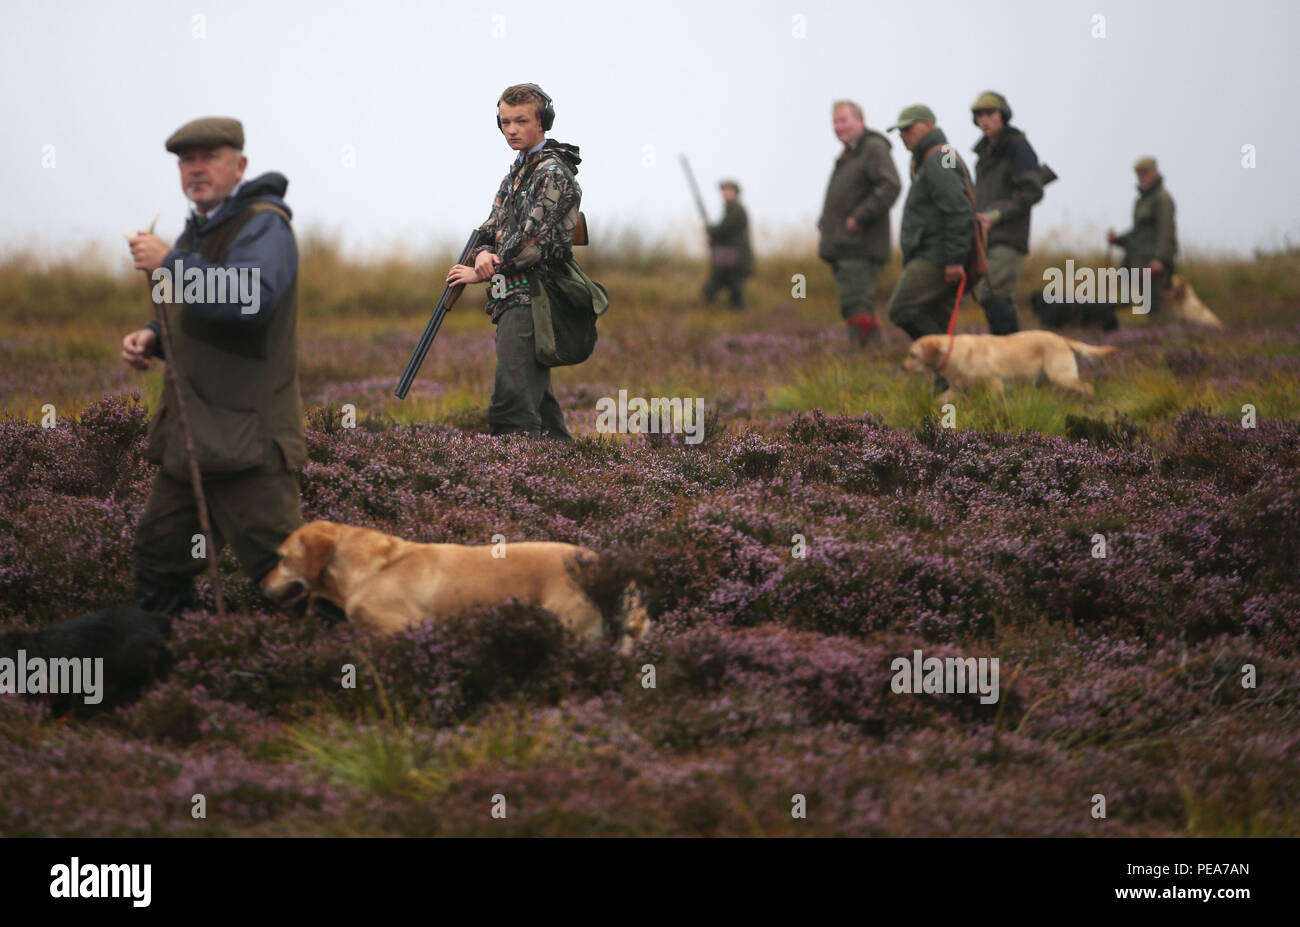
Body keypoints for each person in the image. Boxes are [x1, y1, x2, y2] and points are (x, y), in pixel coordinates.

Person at [121, 117, 304, 615]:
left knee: (290, 578)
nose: (195, 170)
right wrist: (154, 336)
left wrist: (170, 262)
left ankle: (323, 676)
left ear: (240, 165)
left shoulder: (264, 224)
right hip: (190, 441)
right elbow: (193, 307)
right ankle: (167, 679)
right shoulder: (198, 230)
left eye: (209, 158)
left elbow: (249, 298)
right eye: (187, 161)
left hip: (249, 444)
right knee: (157, 564)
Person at [446, 83, 581, 438]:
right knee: (537, 401)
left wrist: (486, 270)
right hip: (513, 295)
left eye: (521, 121)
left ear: (543, 122)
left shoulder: (551, 172)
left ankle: (514, 475)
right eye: (505, 122)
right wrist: (482, 254)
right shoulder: (519, 171)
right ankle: (563, 470)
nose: (511, 129)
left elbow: (532, 242)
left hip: (534, 295)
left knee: (512, 405)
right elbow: (491, 226)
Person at [885, 104, 974, 393]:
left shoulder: (940, 159)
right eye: (900, 130)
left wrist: (954, 259)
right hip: (936, 253)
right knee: (938, 321)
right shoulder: (932, 159)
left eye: (908, 128)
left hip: (936, 256)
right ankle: (948, 384)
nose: (903, 135)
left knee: (902, 309)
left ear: (927, 124)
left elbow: (959, 210)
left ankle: (944, 364)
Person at [818, 100, 901, 346]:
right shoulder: (850, 153)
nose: (838, 126)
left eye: (843, 120)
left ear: (860, 121)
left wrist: (859, 217)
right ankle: (873, 354)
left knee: (857, 303)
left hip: (861, 246)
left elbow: (890, 186)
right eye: (834, 121)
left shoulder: (873, 148)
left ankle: (863, 355)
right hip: (844, 245)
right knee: (853, 303)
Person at [969, 91, 1043, 335]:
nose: (984, 120)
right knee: (990, 296)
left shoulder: (1018, 147)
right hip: (985, 236)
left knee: (995, 294)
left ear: (1004, 115)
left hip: (1009, 236)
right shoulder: (984, 155)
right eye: (979, 115)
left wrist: (995, 215)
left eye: (990, 113)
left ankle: (1012, 355)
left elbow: (1032, 192)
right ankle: (1011, 356)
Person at [1108, 156, 1177, 316]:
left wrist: (1159, 259)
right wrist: (1117, 239)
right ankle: (1151, 336)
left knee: (1154, 305)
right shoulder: (1142, 199)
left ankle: (1162, 337)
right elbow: (1138, 232)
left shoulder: (1162, 198)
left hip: (1152, 262)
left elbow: (1166, 230)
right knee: (1143, 303)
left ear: (1155, 172)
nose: (1142, 177)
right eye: (1139, 173)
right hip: (1138, 260)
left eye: (1145, 172)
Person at [700, 179, 754, 309]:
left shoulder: (737, 211)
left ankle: (738, 320)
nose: (725, 194)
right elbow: (724, 233)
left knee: (735, 292)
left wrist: (711, 230)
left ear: (736, 193)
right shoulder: (730, 210)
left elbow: (724, 229)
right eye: (723, 191)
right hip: (727, 260)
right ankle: (714, 314)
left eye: (728, 191)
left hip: (736, 260)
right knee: (711, 289)